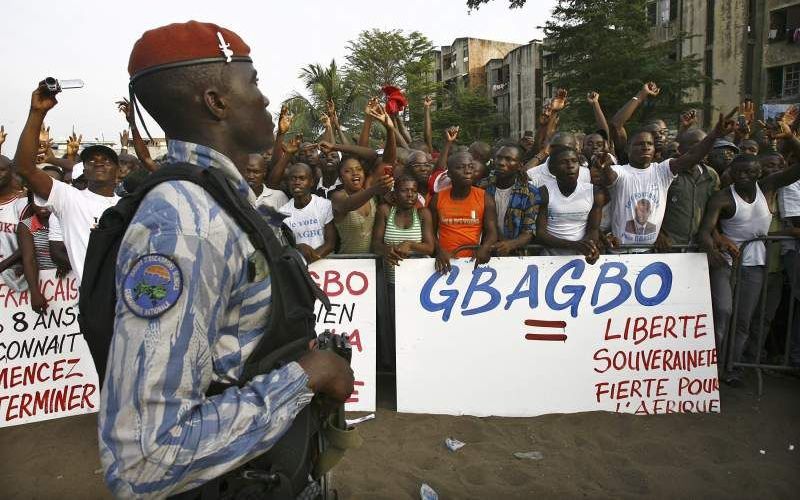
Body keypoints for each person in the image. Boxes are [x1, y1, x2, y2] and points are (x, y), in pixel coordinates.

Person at [69, 22, 351, 498]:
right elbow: (146, 455)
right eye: (254, 83)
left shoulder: (221, 202)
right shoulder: (184, 226)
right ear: (216, 101)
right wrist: (307, 376)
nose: (264, 99)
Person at [700, 111, 800, 384]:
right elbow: (705, 231)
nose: (746, 176)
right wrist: (711, 249)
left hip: (755, 265)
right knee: (723, 313)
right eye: (741, 171)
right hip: (725, 263)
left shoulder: (767, 186)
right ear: (732, 172)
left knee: (743, 321)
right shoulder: (722, 198)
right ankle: (712, 368)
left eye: (752, 172)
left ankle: (731, 368)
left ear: (759, 173)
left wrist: (791, 137)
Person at [599, 111, 736, 248]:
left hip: (652, 252)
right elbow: (608, 176)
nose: (645, 147)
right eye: (639, 144)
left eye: (649, 144)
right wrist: (603, 167)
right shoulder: (620, 171)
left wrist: (714, 135)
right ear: (629, 148)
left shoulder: (662, 170)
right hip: (622, 251)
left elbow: (692, 155)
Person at [14, 108, 121, 283]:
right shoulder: (69, 199)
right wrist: (37, 112)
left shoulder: (129, 204)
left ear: (118, 171)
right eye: (92, 160)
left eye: (106, 160)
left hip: (131, 298)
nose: (99, 162)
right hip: (95, 300)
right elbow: (24, 168)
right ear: (83, 170)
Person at [371, 175, 435, 370]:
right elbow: (375, 244)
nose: (410, 194)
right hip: (391, 282)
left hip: (418, 285)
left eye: (414, 191)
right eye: (404, 190)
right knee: (393, 327)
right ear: (395, 194)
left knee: (415, 327)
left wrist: (410, 244)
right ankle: (396, 370)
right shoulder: (385, 211)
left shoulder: (423, 213)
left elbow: (430, 247)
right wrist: (386, 249)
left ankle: (416, 368)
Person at [430, 151, 498, 274]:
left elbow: (492, 231)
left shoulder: (485, 197)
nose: (467, 171)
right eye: (460, 167)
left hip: (472, 263)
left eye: (471, 167)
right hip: (444, 262)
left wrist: (485, 247)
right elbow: (430, 231)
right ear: (449, 174)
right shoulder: (437, 198)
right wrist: (439, 251)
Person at [535, 146, 606, 262]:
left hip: (580, 258)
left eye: (574, 161)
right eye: (564, 162)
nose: (570, 166)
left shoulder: (594, 192)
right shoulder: (544, 192)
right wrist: (574, 245)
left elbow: (593, 229)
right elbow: (541, 234)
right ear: (553, 169)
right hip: (549, 258)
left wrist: (590, 247)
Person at [657, 128, 720, 249]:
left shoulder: (712, 176)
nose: (703, 148)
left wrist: (715, 235)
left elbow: (712, 211)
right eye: (697, 144)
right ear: (680, 149)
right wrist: (658, 234)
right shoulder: (667, 173)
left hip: (698, 247)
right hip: (669, 246)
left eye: (705, 144)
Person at [477, 144, 541, 256]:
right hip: (482, 252)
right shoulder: (481, 187)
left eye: (508, 159)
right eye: (499, 158)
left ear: (520, 166)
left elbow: (529, 231)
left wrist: (510, 245)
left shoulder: (530, 193)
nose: (501, 163)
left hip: (515, 255)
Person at [280, 163, 337, 262]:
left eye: (302, 178)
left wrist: (312, 258)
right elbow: (286, 247)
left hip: (325, 264)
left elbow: (330, 243)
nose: (297, 182)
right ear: (288, 182)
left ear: (311, 182)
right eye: (293, 178)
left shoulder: (324, 205)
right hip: (299, 266)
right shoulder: (283, 213)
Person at [0, 155, 27, 291]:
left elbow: (31, 242)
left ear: (11, 171)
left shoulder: (24, 202)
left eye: (2, 170)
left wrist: (3, 265)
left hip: (14, 278)